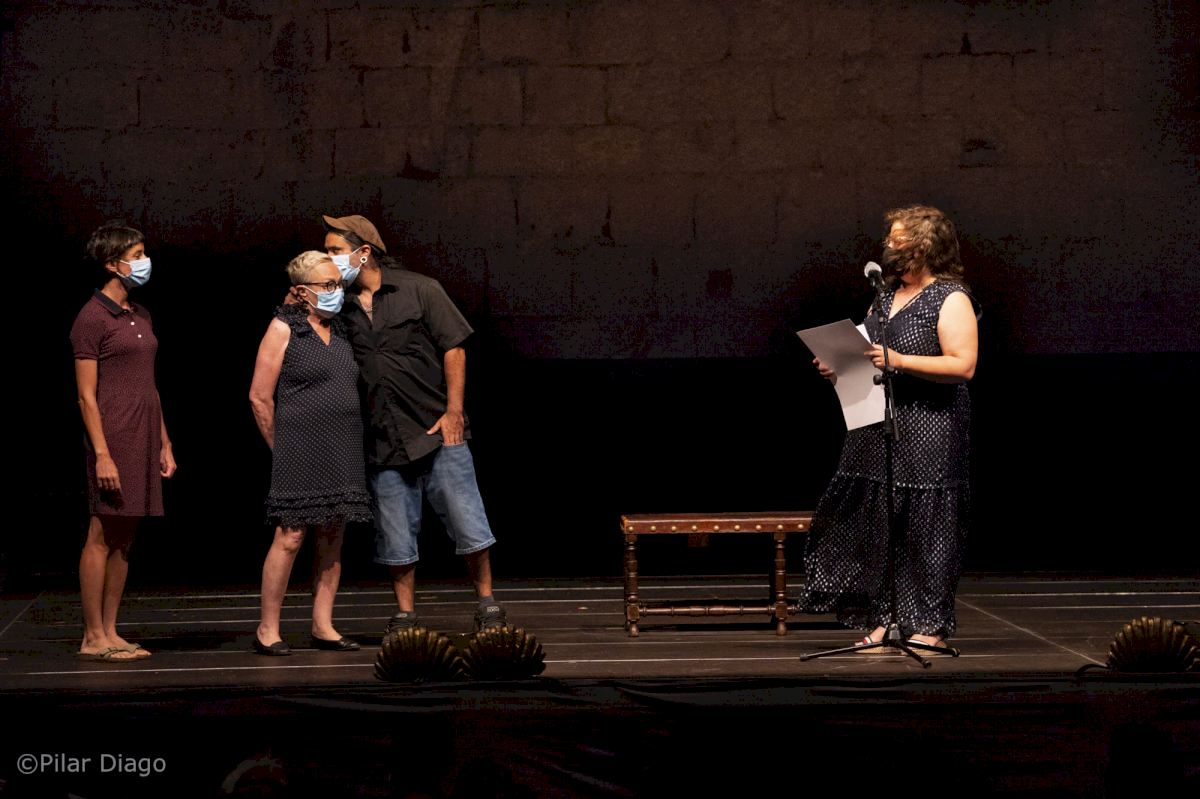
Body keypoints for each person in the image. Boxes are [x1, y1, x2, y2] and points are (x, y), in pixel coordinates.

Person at [803, 205, 979, 653]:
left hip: (931, 424)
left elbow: (963, 365)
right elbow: (867, 355)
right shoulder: (884, 296)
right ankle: (887, 617)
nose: (889, 245)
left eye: (899, 238)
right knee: (883, 521)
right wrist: (837, 365)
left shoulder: (950, 297)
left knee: (928, 524)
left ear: (925, 244)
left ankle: (930, 623)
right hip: (879, 423)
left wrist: (898, 360)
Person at [321, 213, 506, 635]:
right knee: (395, 533)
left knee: (468, 522)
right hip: (382, 436)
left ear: (363, 252)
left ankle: (487, 603)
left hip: (435, 430)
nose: (329, 257)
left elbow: (454, 348)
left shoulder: (420, 289)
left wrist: (454, 411)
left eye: (335, 250)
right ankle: (406, 613)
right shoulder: (338, 304)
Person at [249, 251, 371, 655]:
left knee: (334, 533)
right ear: (302, 292)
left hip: (343, 445)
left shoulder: (341, 330)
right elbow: (259, 397)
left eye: (339, 283)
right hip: (299, 449)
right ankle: (268, 629)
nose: (336, 291)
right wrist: (282, 449)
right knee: (291, 536)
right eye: (327, 285)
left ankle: (323, 624)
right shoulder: (284, 328)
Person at [70, 222, 177, 662]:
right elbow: (85, 396)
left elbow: (150, 385)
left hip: (143, 433)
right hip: (112, 435)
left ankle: (111, 631)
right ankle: (92, 636)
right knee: (102, 531)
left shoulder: (140, 313)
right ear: (113, 264)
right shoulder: (92, 317)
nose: (145, 261)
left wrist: (164, 442)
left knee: (126, 535)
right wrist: (102, 455)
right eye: (136, 255)